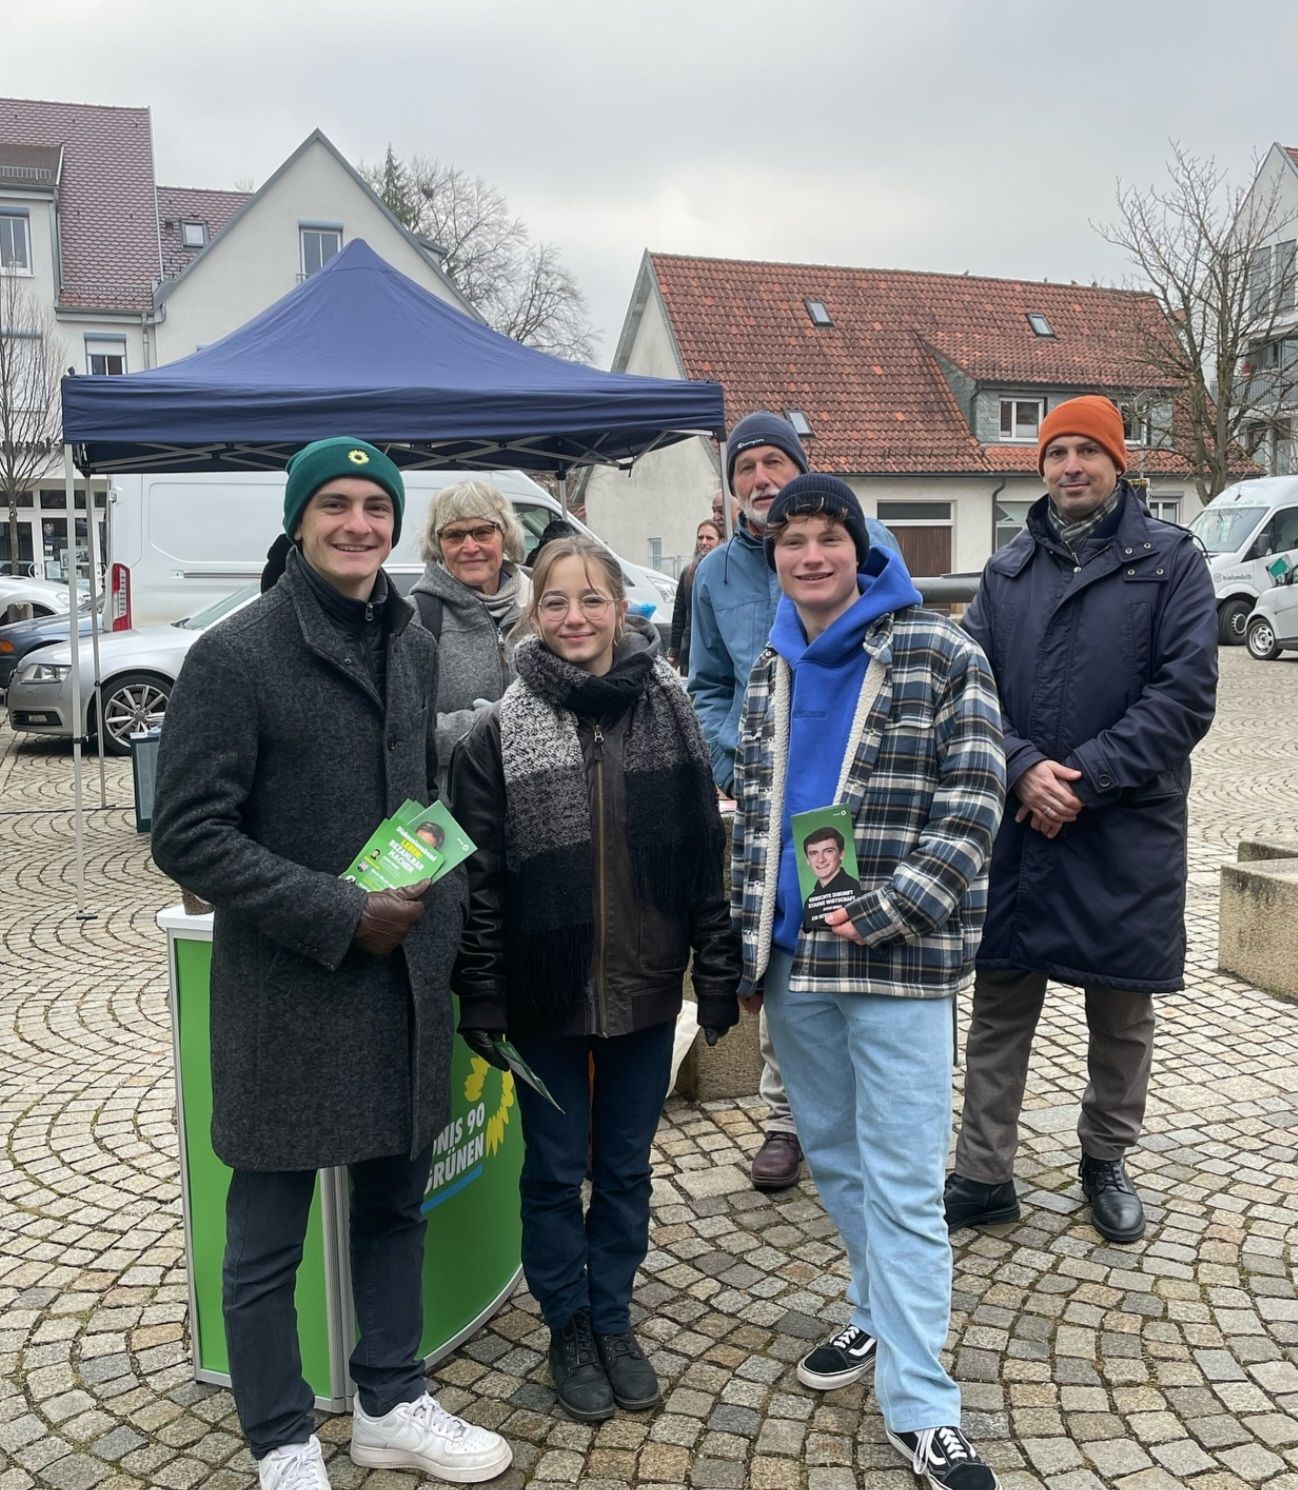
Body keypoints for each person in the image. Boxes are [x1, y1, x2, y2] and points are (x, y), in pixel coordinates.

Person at [151, 437, 511, 1489]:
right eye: (336, 505)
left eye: (375, 507)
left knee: (395, 1205)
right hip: (290, 984)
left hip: (402, 978)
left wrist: (438, 897)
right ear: (299, 518)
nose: (359, 524)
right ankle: (281, 1439)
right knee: (266, 1234)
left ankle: (391, 1400)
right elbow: (188, 833)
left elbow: (415, 797)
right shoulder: (237, 652)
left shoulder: (410, 639)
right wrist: (338, 909)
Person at [732, 474, 1005, 1490]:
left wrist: (890, 910)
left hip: (895, 963)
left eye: (826, 537)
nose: (809, 554)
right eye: (791, 539)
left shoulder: (937, 649)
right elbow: (760, 812)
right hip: (799, 964)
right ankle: (870, 1310)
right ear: (774, 556)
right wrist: (748, 947)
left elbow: (975, 801)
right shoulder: (770, 666)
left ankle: (924, 1404)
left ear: (863, 546)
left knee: (900, 1183)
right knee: (838, 1164)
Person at [449, 535, 740, 1425]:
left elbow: (700, 855)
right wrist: (485, 989)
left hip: (646, 985)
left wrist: (716, 964)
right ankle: (566, 1324)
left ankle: (612, 1319)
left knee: (623, 1169)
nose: (574, 618)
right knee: (551, 1171)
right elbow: (482, 881)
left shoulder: (671, 711)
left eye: (591, 600)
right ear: (531, 616)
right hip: (547, 990)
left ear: (622, 609)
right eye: (554, 603)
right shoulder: (498, 728)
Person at [946, 396, 1219, 1245]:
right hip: (1022, 823)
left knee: (1121, 1007)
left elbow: (1184, 696)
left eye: (1086, 452)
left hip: (1122, 825)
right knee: (1000, 998)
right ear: (1039, 467)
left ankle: (1105, 1159)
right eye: (1056, 451)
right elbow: (973, 690)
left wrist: (1085, 778)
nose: (1071, 465)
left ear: (1118, 464)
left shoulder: (1171, 561)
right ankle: (982, 1173)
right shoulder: (1007, 568)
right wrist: (1024, 769)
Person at [688, 410, 901, 1192]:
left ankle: (877, 1120)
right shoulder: (713, 575)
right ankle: (788, 1121)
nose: (759, 478)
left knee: (850, 938)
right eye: (745, 468)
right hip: (764, 792)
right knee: (780, 950)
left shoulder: (860, 538)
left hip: (843, 795)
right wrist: (732, 758)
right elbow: (705, 682)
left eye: (774, 462)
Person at [410, 479, 533, 790]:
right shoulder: (415, 618)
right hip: (455, 815)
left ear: (504, 535)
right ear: (438, 545)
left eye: (482, 532)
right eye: (454, 535)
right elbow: (403, 731)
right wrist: (491, 723)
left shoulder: (541, 606)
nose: (470, 547)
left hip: (535, 803)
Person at [667, 517, 722, 674]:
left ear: (720, 541)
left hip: (716, 650)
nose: (704, 542)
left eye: (710, 538)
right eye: (700, 537)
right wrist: (674, 651)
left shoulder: (725, 571)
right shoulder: (687, 573)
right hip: (689, 650)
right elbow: (679, 614)